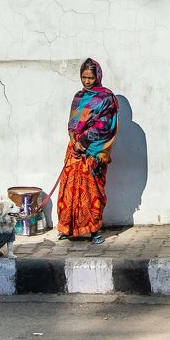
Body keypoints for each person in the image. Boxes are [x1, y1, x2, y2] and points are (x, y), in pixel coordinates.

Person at [56, 58, 119, 244]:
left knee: (92, 194)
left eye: (90, 77)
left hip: (93, 153)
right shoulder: (78, 97)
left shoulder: (106, 98)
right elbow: (72, 123)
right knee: (69, 192)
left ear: (97, 76)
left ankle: (94, 230)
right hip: (75, 153)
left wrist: (83, 142)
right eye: (84, 77)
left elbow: (104, 126)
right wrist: (73, 140)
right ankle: (68, 228)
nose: (87, 81)